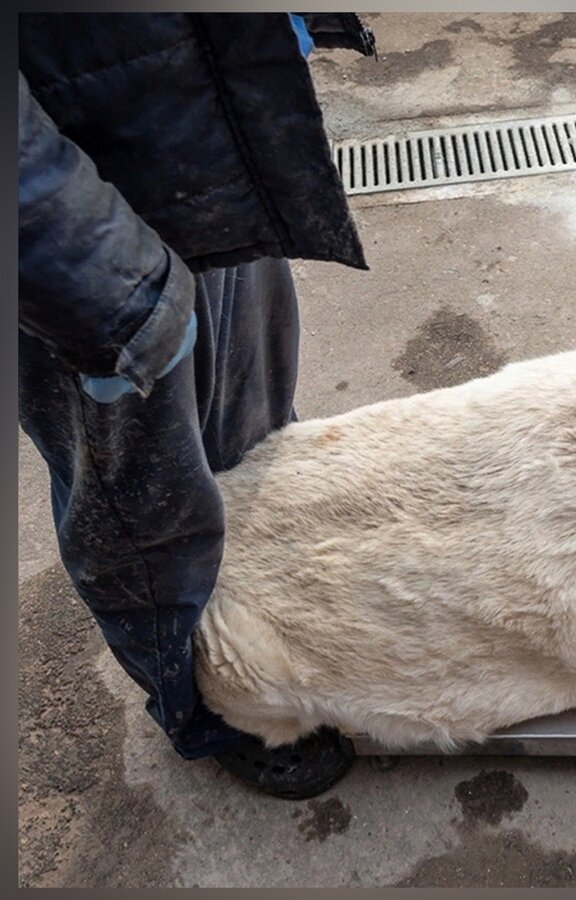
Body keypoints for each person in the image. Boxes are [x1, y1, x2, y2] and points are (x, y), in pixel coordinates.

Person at [18, 12, 376, 799]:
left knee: (255, 441)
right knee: (147, 521)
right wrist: (97, 286)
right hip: (70, 236)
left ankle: (267, 614)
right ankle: (208, 706)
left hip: (187, 138)